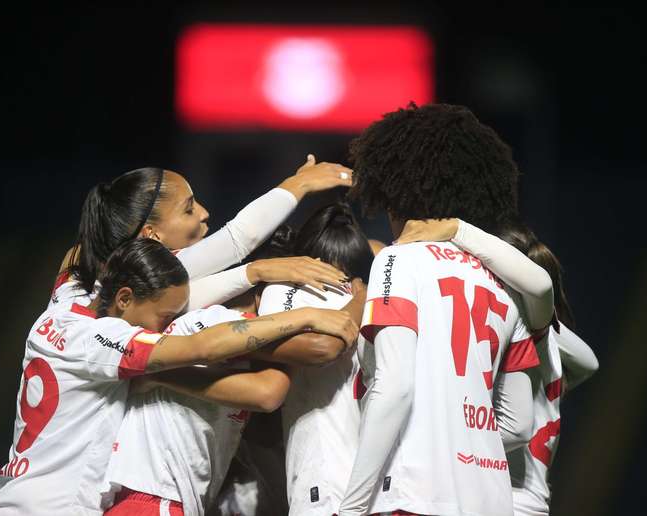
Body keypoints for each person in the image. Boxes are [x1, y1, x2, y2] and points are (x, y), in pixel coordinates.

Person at [0, 238, 358, 516]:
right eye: (165, 315)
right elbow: (266, 379)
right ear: (125, 298)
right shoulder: (145, 336)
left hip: (21, 496)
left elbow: (78, 253)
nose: (169, 325)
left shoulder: (63, 309)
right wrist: (315, 308)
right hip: (101, 503)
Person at [337, 103, 553, 516]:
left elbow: (395, 388)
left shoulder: (399, 260)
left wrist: (351, 508)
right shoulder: (505, 284)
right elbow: (520, 424)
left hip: (417, 495)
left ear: (393, 193)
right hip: (491, 498)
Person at [101, 228, 367, 516]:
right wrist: (361, 297)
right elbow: (275, 386)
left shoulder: (205, 328)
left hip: (150, 498)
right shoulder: (209, 320)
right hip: (153, 500)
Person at [53, 155, 353, 312]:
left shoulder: (78, 264)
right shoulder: (132, 292)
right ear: (151, 235)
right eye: (188, 209)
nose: (204, 212)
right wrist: (298, 185)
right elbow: (236, 239)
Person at [255, 203, 374, 516]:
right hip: (329, 480)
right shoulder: (285, 289)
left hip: (368, 483)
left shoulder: (378, 292)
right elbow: (320, 349)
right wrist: (360, 298)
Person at [497, 222, 598, 516]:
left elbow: (516, 431)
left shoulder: (517, 342)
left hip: (506, 501)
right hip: (534, 504)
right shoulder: (549, 341)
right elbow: (590, 362)